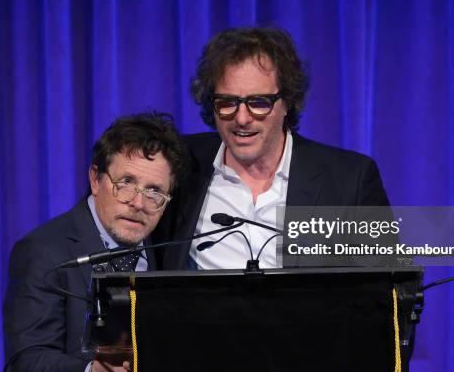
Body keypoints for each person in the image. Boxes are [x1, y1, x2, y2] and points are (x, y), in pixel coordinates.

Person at [155, 27, 390, 270]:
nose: (242, 118)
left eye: (259, 103)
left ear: (286, 103)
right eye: (227, 102)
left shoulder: (349, 180)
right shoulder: (180, 164)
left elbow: (390, 291)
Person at [3, 113, 188, 372]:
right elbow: (26, 360)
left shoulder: (168, 247)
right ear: (95, 179)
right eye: (126, 183)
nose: (138, 203)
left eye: (154, 191)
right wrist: (91, 371)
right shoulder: (44, 252)